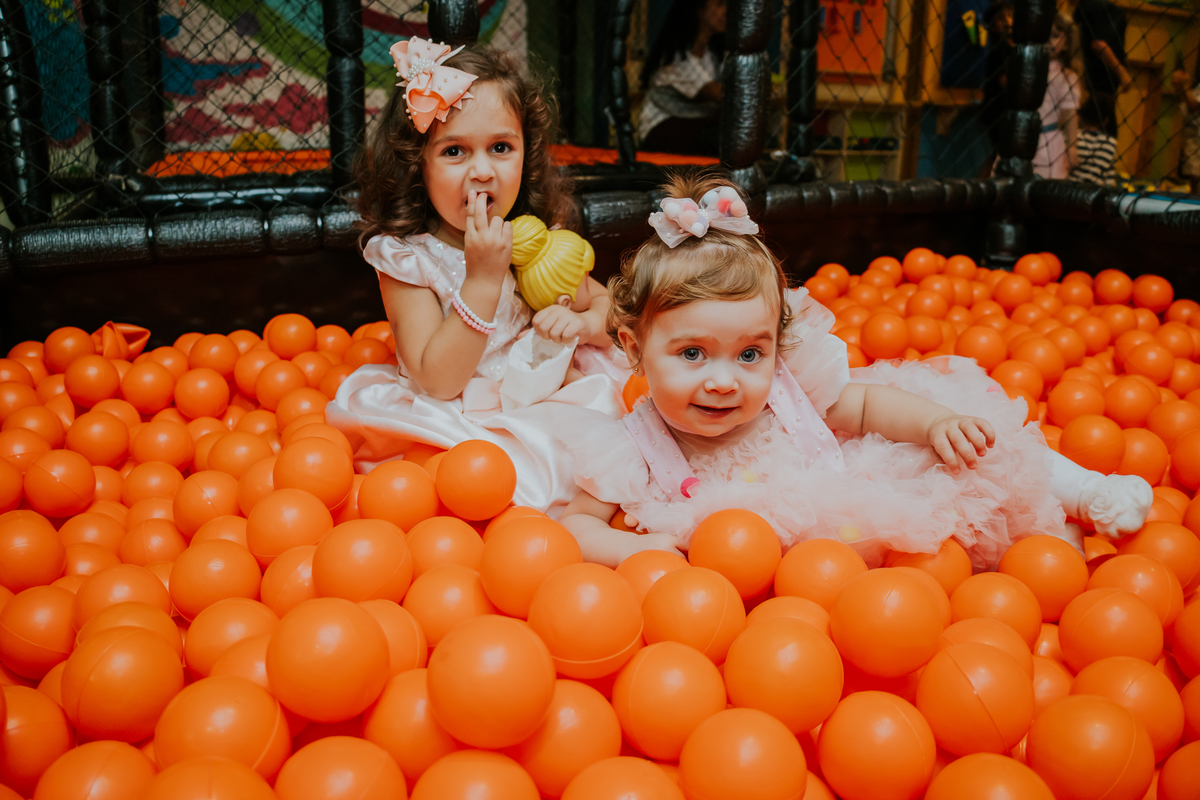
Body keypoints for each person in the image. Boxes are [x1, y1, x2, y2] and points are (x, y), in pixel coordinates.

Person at [557, 173, 1153, 568]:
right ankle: (1054, 544)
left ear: (775, 344)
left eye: (749, 354)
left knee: (972, 450)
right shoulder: (631, 447)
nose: (724, 379)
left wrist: (935, 422)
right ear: (633, 348)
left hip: (862, 519)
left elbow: (866, 405)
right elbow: (575, 528)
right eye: (692, 355)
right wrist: (635, 551)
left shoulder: (786, 394)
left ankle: (1082, 493)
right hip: (800, 582)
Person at [326, 38, 628, 514]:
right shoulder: (409, 260)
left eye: (501, 147)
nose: (482, 171)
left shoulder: (529, 238)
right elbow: (437, 379)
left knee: (617, 431)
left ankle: (584, 519)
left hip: (537, 397)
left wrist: (585, 325)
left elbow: (608, 304)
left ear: (526, 155)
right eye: (455, 152)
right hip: (457, 414)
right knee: (478, 484)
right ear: (417, 166)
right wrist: (483, 280)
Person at [636, 0, 726, 156]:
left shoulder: (712, 57)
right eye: (719, 4)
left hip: (696, 123)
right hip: (662, 127)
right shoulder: (676, 59)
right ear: (699, 11)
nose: (726, 11)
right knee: (722, 133)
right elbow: (721, 94)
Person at [1034, 15, 1080, 179]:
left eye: (1054, 36)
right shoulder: (1030, 66)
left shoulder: (1065, 76)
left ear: (1067, 43)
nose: (1048, 40)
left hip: (1048, 141)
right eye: (1045, 34)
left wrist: (1072, 146)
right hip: (1022, 137)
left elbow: (1070, 113)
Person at [1070, 96, 1117, 185]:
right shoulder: (1110, 142)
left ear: (1082, 116)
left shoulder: (1074, 137)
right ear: (1106, 121)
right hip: (1094, 192)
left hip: (1070, 191)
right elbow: (1109, 178)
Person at [1171, 68, 1200, 194]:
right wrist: (1180, 86)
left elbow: (1193, 106)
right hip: (1192, 138)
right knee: (1194, 178)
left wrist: (1185, 85)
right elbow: (1186, 105)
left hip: (1197, 139)